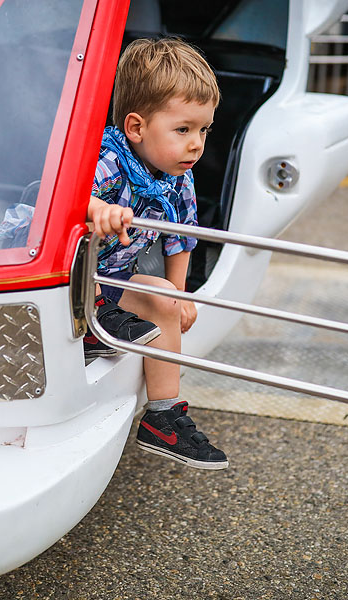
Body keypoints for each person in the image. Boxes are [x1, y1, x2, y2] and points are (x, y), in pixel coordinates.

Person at [85, 37, 227, 470]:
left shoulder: (176, 177)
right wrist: (99, 210)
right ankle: (91, 327)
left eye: (203, 130)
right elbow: (62, 201)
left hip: (112, 281)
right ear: (136, 127)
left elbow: (179, 236)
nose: (196, 144)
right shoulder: (106, 161)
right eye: (183, 130)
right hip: (67, 278)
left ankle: (162, 418)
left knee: (164, 297)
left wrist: (178, 295)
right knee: (103, 288)